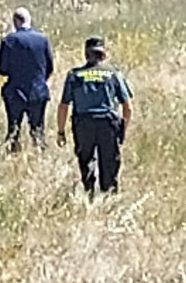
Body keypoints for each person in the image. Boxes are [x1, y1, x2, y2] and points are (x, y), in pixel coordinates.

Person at [56, 37, 133, 196]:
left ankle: (89, 195)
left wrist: (61, 131)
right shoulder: (113, 74)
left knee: (86, 162)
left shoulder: (75, 75)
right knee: (109, 164)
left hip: (83, 124)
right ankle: (109, 197)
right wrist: (122, 130)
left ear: (85, 54)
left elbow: (64, 105)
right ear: (103, 55)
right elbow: (128, 107)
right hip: (108, 124)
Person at [0, 7, 54, 152]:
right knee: (38, 129)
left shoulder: (9, 40)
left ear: (16, 21)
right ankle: (40, 156)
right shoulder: (43, 40)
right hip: (38, 91)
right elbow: (49, 68)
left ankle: (14, 157)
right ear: (29, 20)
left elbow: (2, 69)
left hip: (15, 92)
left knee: (13, 130)